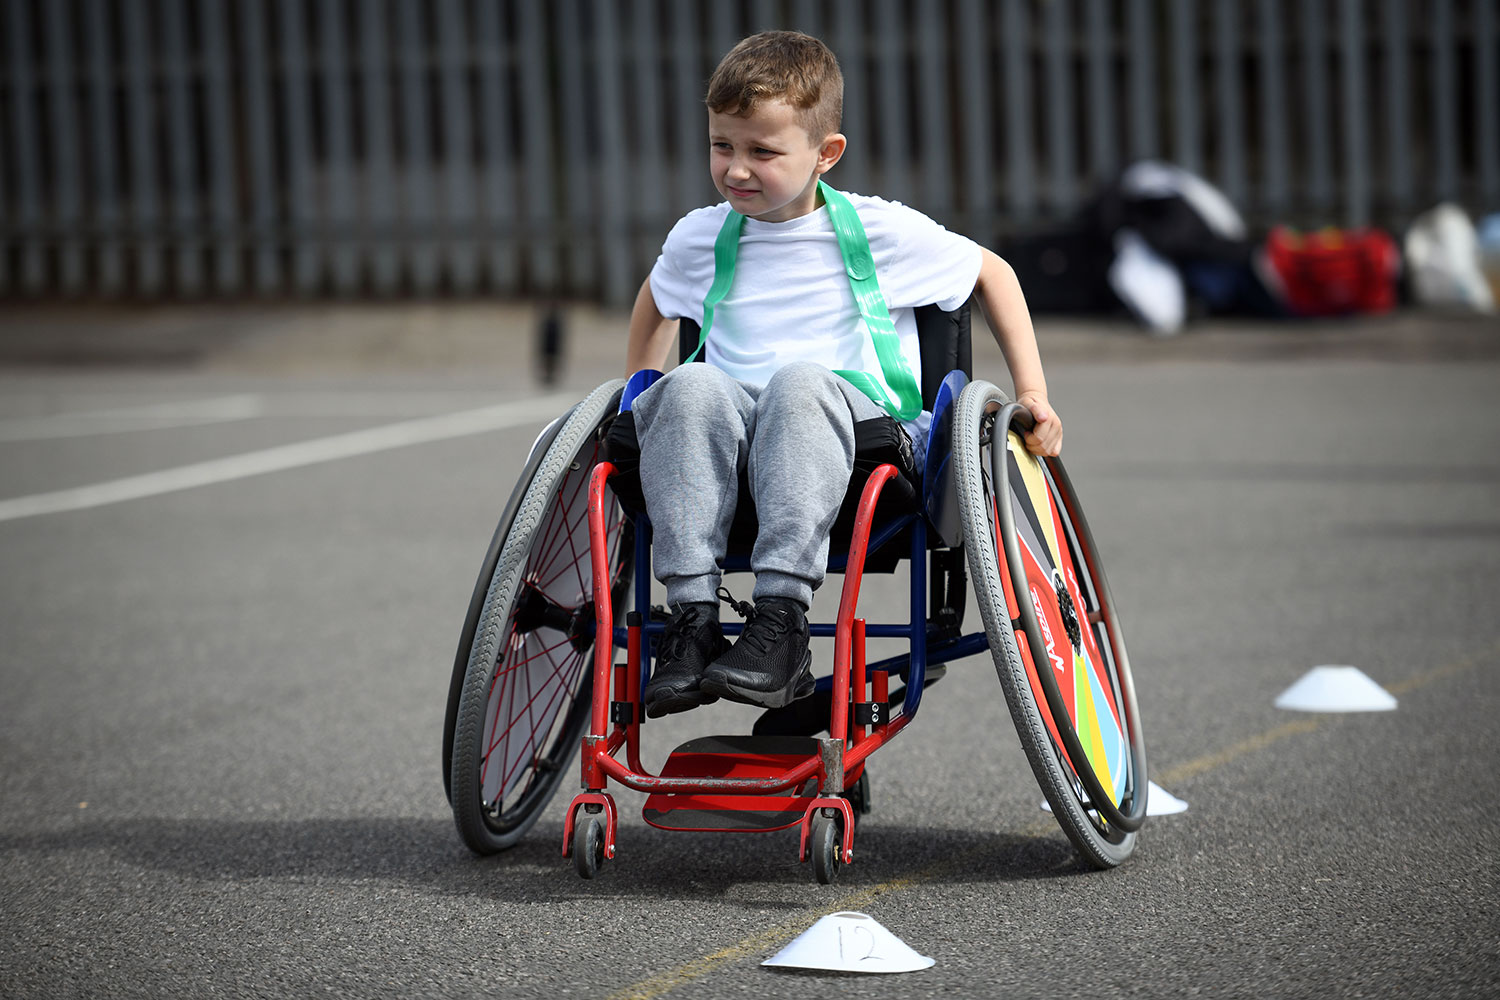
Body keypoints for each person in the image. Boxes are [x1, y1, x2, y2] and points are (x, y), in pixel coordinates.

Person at [626, 30, 1062, 719]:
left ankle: (780, 623)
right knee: (688, 386)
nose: (737, 169)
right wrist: (639, 391)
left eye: (762, 152)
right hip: (734, 450)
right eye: (723, 146)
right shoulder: (699, 236)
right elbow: (654, 300)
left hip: (862, 445)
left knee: (798, 383)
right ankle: (691, 622)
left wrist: (1033, 394)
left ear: (825, 154)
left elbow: (993, 274)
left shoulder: (881, 230)